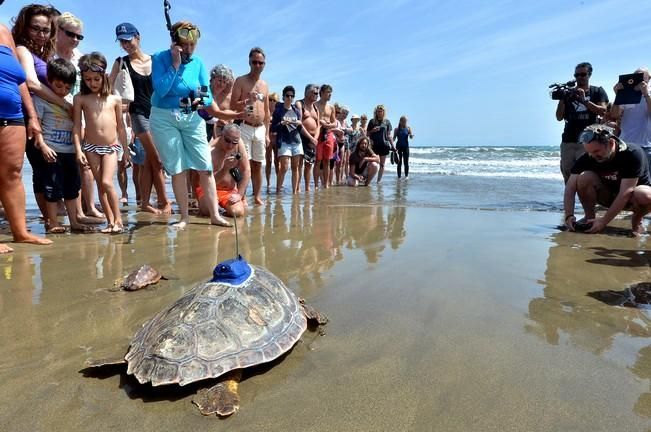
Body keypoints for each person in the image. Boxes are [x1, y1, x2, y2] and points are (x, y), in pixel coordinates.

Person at [150, 20, 239, 229]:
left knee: (204, 166)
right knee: (178, 167)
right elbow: (161, 90)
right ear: (175, 42)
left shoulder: (198, 62)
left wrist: (195, 100)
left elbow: (206, 95)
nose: (189, 50)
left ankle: (215, 215)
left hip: (191, 117)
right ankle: (184, 217)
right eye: (185, 45)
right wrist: (175, 64)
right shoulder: (160, 58)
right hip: (164, 117)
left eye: (193, 45)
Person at [0, 20, 51, 252]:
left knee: (12, 173)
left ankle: (20, 232)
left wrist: (31, 115)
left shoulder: (3, 31)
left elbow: (19, 79)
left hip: (13, 113)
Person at [110, 22, 170, 215]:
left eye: (128, 39)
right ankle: (164, 201)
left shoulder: (156, 60)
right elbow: (108, 90)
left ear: (138, 36)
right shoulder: (121, 62)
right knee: (158, 159)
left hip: (159, 115)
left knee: (150, 161)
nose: (126, 44)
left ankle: (145, 202)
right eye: (122, 41)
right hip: (138, 115)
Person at [13, 3, 63, 222]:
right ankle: (48, 218)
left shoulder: (44, 54)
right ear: (24, 27)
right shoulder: (22, 50)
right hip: (26, 116)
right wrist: (66, 105)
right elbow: (31, 83)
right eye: (35, 28)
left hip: (45, 118)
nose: (41, 34)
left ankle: (50, 217)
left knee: (44, 168)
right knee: (41, 167)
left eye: (45, 30)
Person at [53, 11, 103, 222]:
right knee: (58, 162)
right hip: (55, 113)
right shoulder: (49, 55)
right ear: (58, 31)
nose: (75, 40)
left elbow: (91, 85)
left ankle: (88, 206)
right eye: (70, 34)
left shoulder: (79, 58)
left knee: (83, 162)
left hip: (79, 115)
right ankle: (61, 206)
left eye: (78, 36)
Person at [72, 52, 129, 233]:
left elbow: (121, 127)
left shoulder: (115, 99)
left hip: (111, 147)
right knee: (100, 185)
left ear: (103, 76)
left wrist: (126, 151)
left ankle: (118, 220)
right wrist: (78, 150)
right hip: (90, 147)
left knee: (106, 182)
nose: (92, 83)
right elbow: (76, 126)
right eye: (88, 79)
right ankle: (110, 222)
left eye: (96, 79)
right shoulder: (80, 98)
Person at [35, 58, 91, 234]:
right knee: (51, 189)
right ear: (49, 81)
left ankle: (74, 221)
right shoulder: (41, 100)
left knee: (72, 189)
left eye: (67, 87)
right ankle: (52, 222)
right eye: (59, 86)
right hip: (52, 152)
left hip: (70, 152)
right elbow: (36, 125)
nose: (63, 91)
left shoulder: (72, 102)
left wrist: (80, 149)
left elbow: (78, 126)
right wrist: (42, 146)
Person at [563, 124, 651, 235]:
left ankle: (637, 219)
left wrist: (603, 222)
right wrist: (569, 216)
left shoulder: (632, 154)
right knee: (584, 177)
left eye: (596, 151)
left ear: (611, 143)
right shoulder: (588, 157)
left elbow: (625, 193)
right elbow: (570, 188)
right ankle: (589, 218)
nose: (592, 156)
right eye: (589, 152)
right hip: (608, 196)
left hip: (633, 199)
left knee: (645, 194)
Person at [555, 62, 608, 183]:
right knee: (568, 173)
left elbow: (603, 111)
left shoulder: (597, 91)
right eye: (576, 75)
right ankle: (570, 201)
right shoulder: (568, 93)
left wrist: (584, 101)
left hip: (589, 140)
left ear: (589, 75)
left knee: (586, 175)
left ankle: (588, 201)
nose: (579, 77)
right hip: (569, 140)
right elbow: (558, 117)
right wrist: (563, 99)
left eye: (583, 74)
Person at [230, 47, 270, 206]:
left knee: (258, 164)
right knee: (243, 163)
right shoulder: (241, 81)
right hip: (244, 126)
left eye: (261, 63)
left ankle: (257, 196)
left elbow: (267, 111)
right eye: (255, 62)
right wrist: (248, 101)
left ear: (264, 64)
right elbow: (233, 105)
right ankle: (242, 195)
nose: (257, 65)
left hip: (260, 128)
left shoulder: (265, 84)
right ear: (249, 62)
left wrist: (267, 133)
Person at [202, 123, 250, 217]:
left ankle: (227, 208)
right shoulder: (210, 149)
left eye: (234, 142)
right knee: (209, 211)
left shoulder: (238, 143)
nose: (230, 145)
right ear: (221, 135)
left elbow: (246, 170)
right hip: (210, 188)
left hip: (228, 190)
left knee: (237, 212)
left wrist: (240, 195)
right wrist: (225, 169)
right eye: (227, 140)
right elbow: (207, 181)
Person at [610, 67, 651, 164]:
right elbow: (615, 115)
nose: (639, 79)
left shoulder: (649, 95)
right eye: (636, 76)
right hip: (626, 144)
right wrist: (618, 96)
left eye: (642, 76)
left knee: (646, 178)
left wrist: (646, 94)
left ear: (648, 79)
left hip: (646, 146)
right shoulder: (627, 95)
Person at [271, 85, 303, 194]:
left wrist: (299, 123)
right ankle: (278, 191)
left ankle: (294, 192)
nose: (290, 98)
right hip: (284, 141)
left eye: (292, 96)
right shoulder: (278, 111)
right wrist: (281, 123)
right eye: (287, 96)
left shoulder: (296, 110)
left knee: (295, 167)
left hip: (296, 141)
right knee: (284, 167)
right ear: (283, 97)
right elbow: (273, 128)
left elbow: (300, 126)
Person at [296, 83, 320, 192]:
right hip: (301, 136)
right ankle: (297, 187)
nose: (317, 95)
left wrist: (315, 138)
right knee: (299, 164)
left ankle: (307, 187)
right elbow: (299, 123)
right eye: (315, 93)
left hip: (313, 139)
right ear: (307, 92)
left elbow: (318, 125)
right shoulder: (299, 104)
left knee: (309, 164)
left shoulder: (316, 108)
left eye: (318, 93)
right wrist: (310, 138)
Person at [315, 84, 336, 188]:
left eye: (330, 93)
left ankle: (326, 184)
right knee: (318, 160)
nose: (330, 95)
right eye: (328, 92)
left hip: (329, 134)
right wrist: (320, 122)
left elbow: (334, 122)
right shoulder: (315, 105)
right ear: (322, 93)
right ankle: (315, 184)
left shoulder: (331, 107)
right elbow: (312, 119)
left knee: (327, 160)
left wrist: (328, 124)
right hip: (318, 134)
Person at [367, 104, 394, 183]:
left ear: (383, 112)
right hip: (373, 146)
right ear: (376, 112)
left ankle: (378, 181)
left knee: (382, 165)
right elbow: (367, 134)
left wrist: (393, 146)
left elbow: (389, 135)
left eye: (381, 111)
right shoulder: (372, 121)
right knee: (372, 163)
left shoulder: (387, 122)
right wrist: (373, 131)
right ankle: (368, 179)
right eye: (378, 111)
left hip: (384, 146)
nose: (379, 113)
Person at [265, 91, 279, 192]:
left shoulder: (278, 113)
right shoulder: (265, 112)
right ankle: (268, 183)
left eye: (274, 100)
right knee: (268, 161)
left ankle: (279, 181)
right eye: (270, 99)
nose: (272, 102)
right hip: (268, 138)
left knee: (277, 161)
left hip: (277, 138)